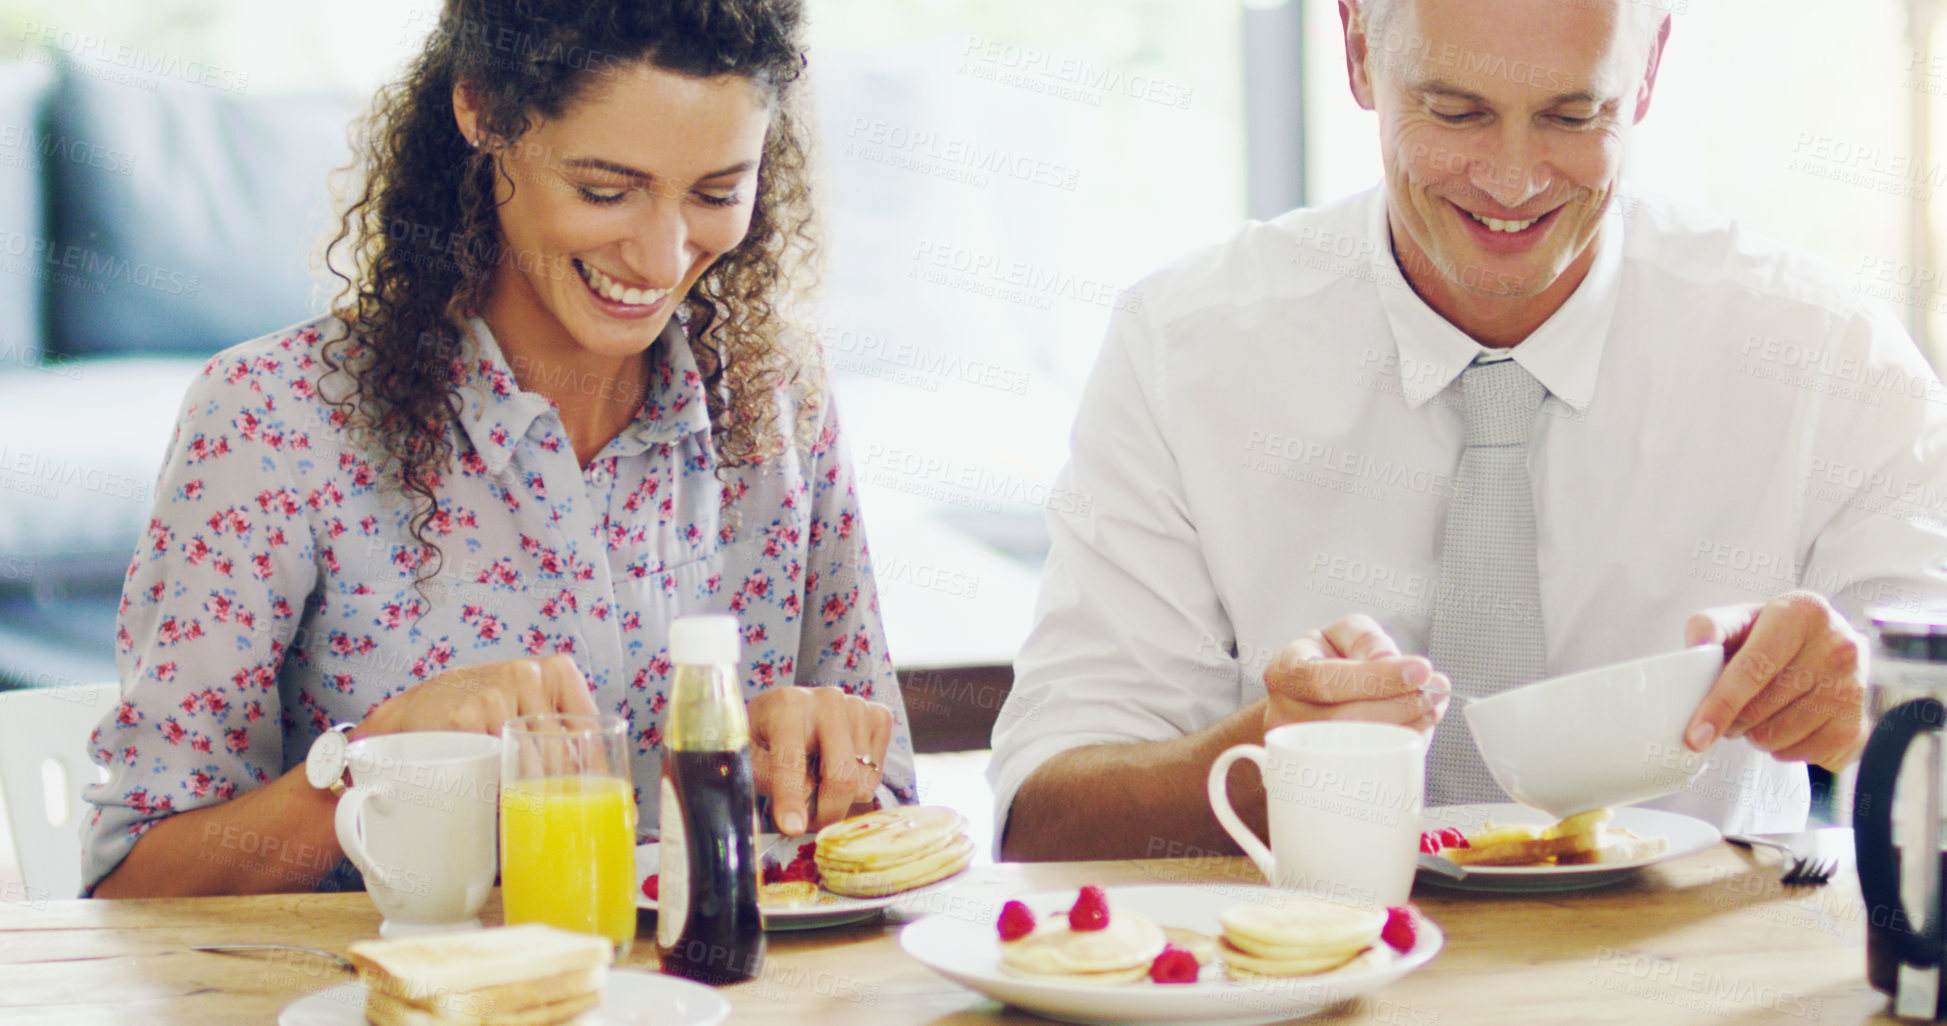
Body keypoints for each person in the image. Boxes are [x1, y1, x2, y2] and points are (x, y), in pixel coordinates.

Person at [991, 0, 1947, 861]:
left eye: (1574, 116)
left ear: (1648, 69)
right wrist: (1263, 759)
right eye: (1455, 112)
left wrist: (1865, 704)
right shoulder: (1181, 351)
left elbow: (1929, 741)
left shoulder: (1824, 358)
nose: (1512, 179)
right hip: (1302, 981)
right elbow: (1041, 818)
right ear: (1359, 47)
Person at [84, 0, 915, 897]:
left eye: (717, 193)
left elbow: (894, 815)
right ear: (481, 111)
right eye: (605, 190)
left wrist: (829, 769)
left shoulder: (777, 400)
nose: (662, 254)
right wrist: (381, 759)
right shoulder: (269, 422)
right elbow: (134, 888)